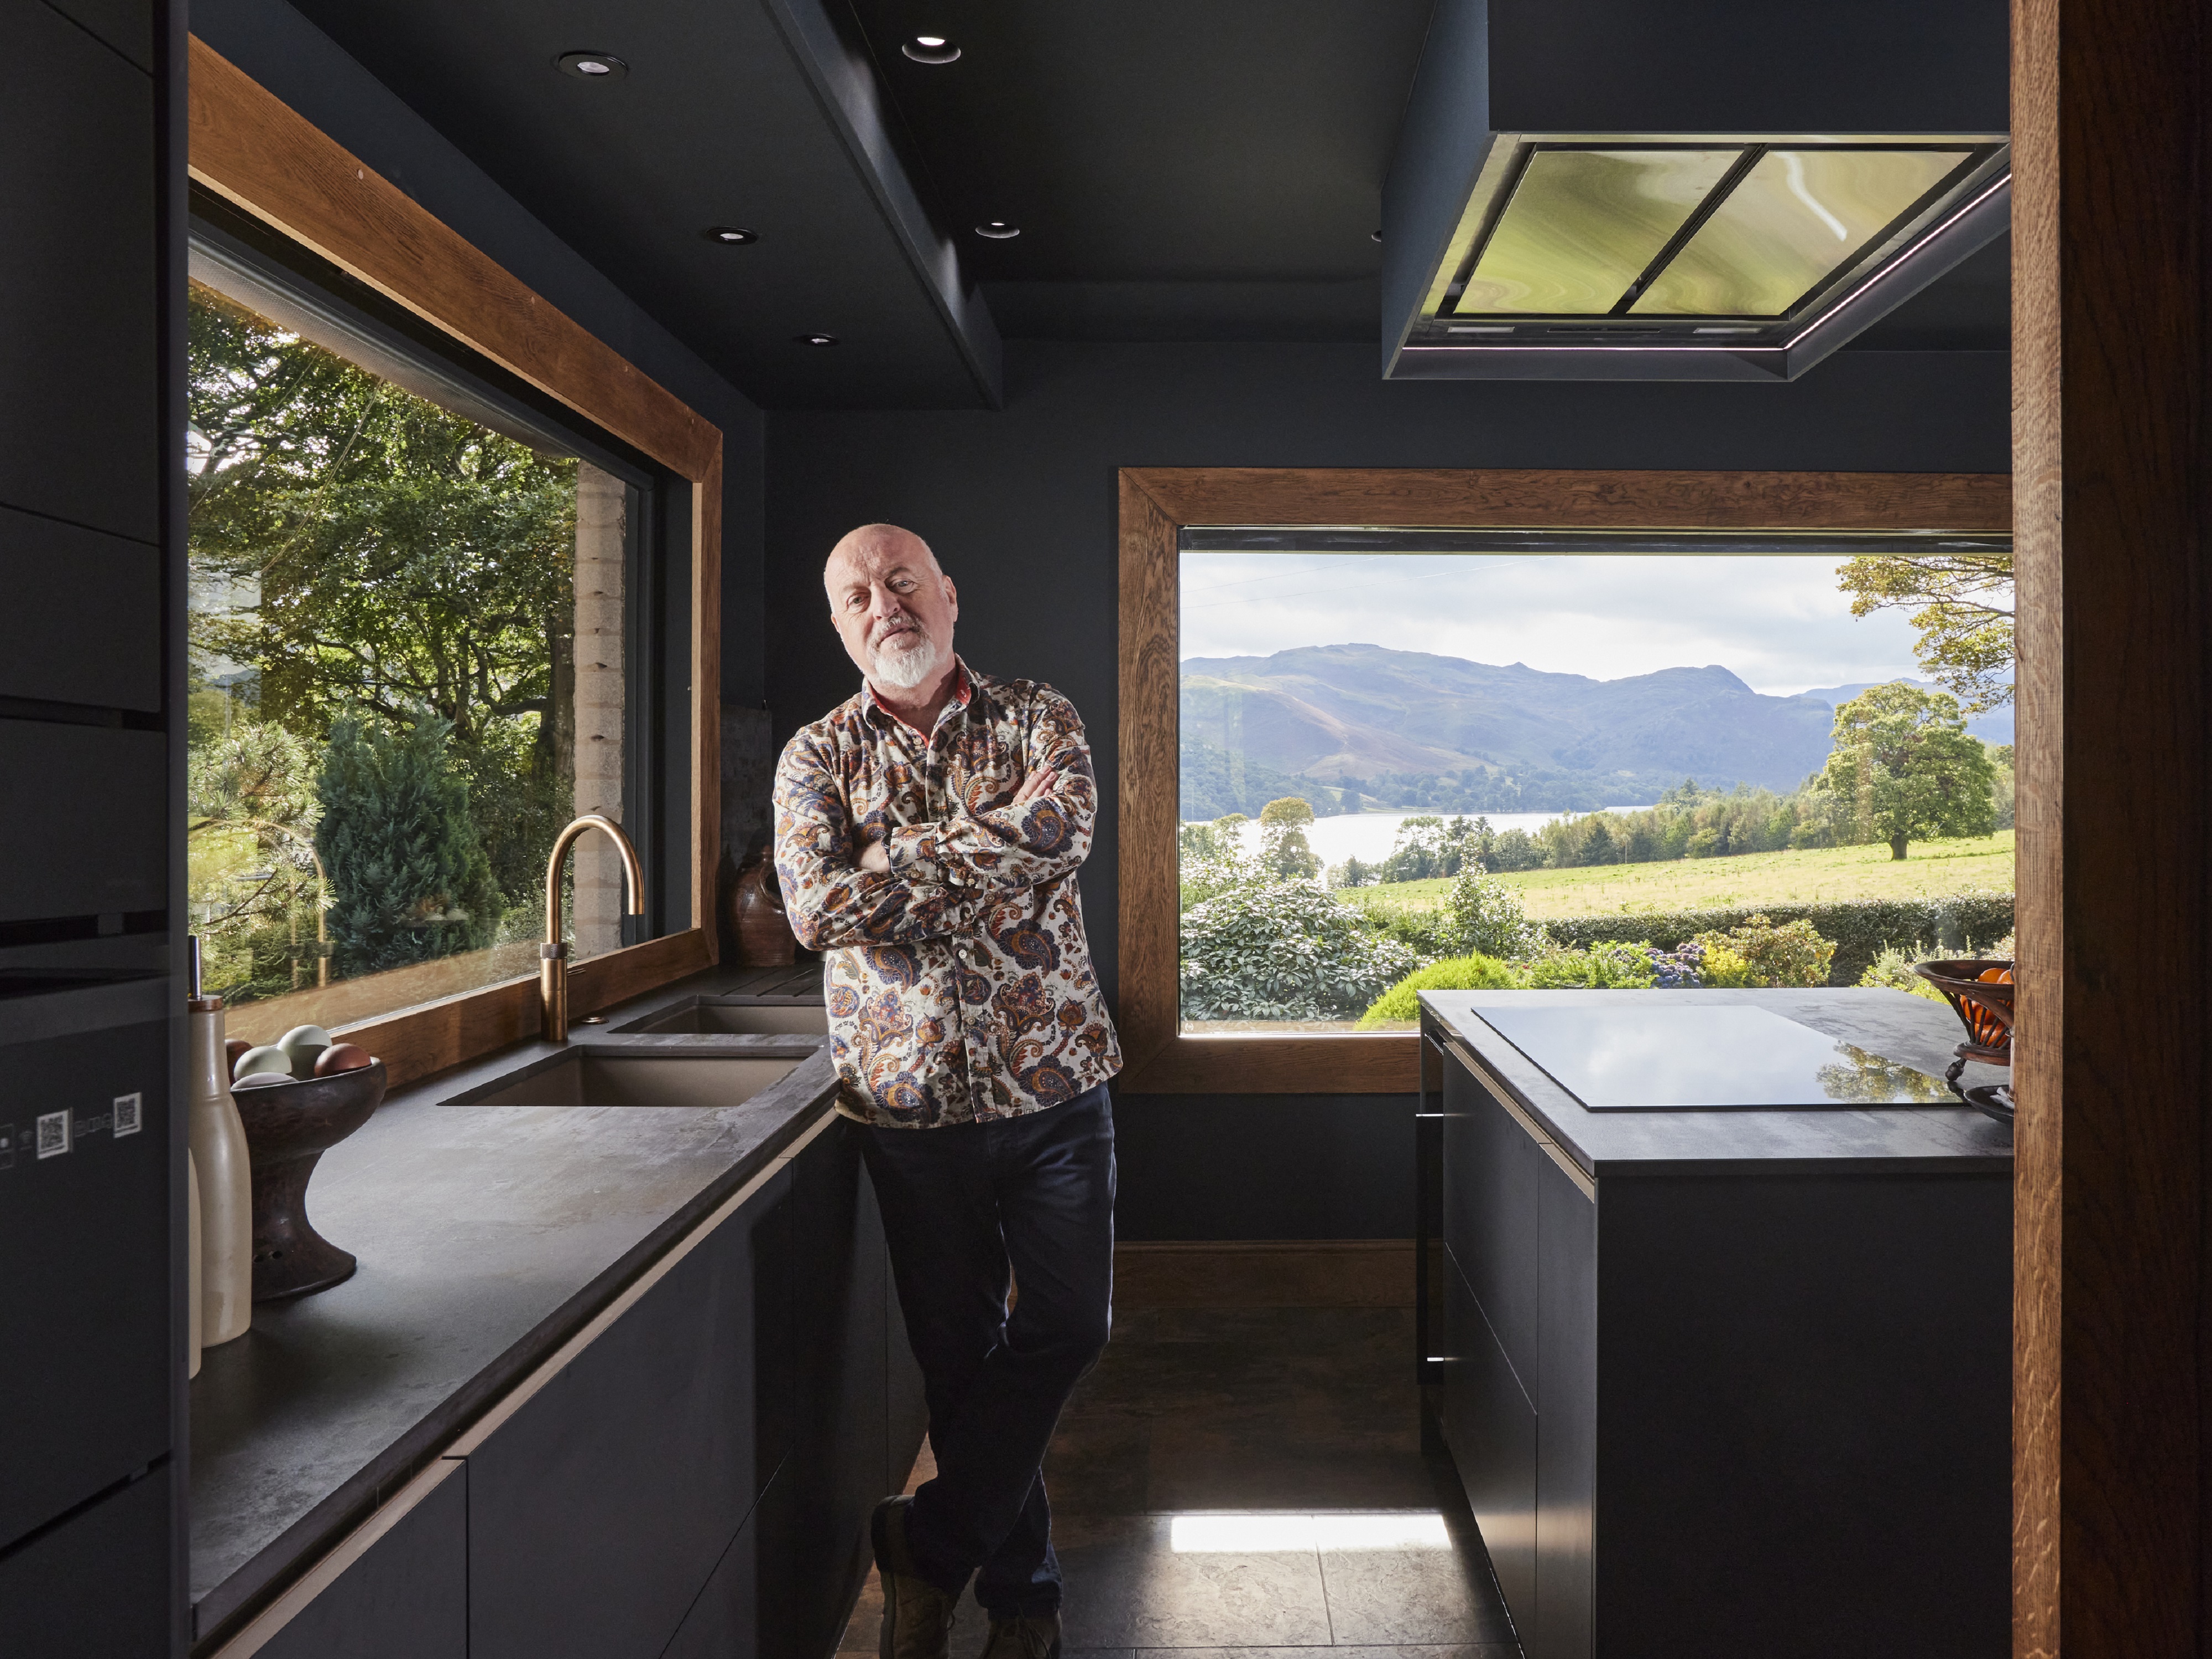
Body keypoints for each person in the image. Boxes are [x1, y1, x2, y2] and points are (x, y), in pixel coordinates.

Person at [773, 523, 1120, 1659]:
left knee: (1069, 1323)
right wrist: (983, 853)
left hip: (1055, 1084)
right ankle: (1024, 1603)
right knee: (958, 1362)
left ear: (949, 595)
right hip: (910, 1113)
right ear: (840, 624)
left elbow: (1058, 833)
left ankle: (923, 1540)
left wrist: (892, 863)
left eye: (902, 580)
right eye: (858, 594)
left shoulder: (1038, 716)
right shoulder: (813, 760)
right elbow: (815, 912)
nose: (886, 605)